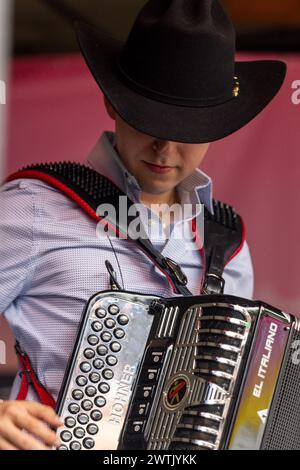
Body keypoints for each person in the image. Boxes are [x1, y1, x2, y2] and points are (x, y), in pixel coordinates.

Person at [0, 0, 286, 450]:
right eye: (148, 119)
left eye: (188, 128)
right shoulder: (33, 208)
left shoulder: (226, 244)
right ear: (112, 101)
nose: (165, 149)